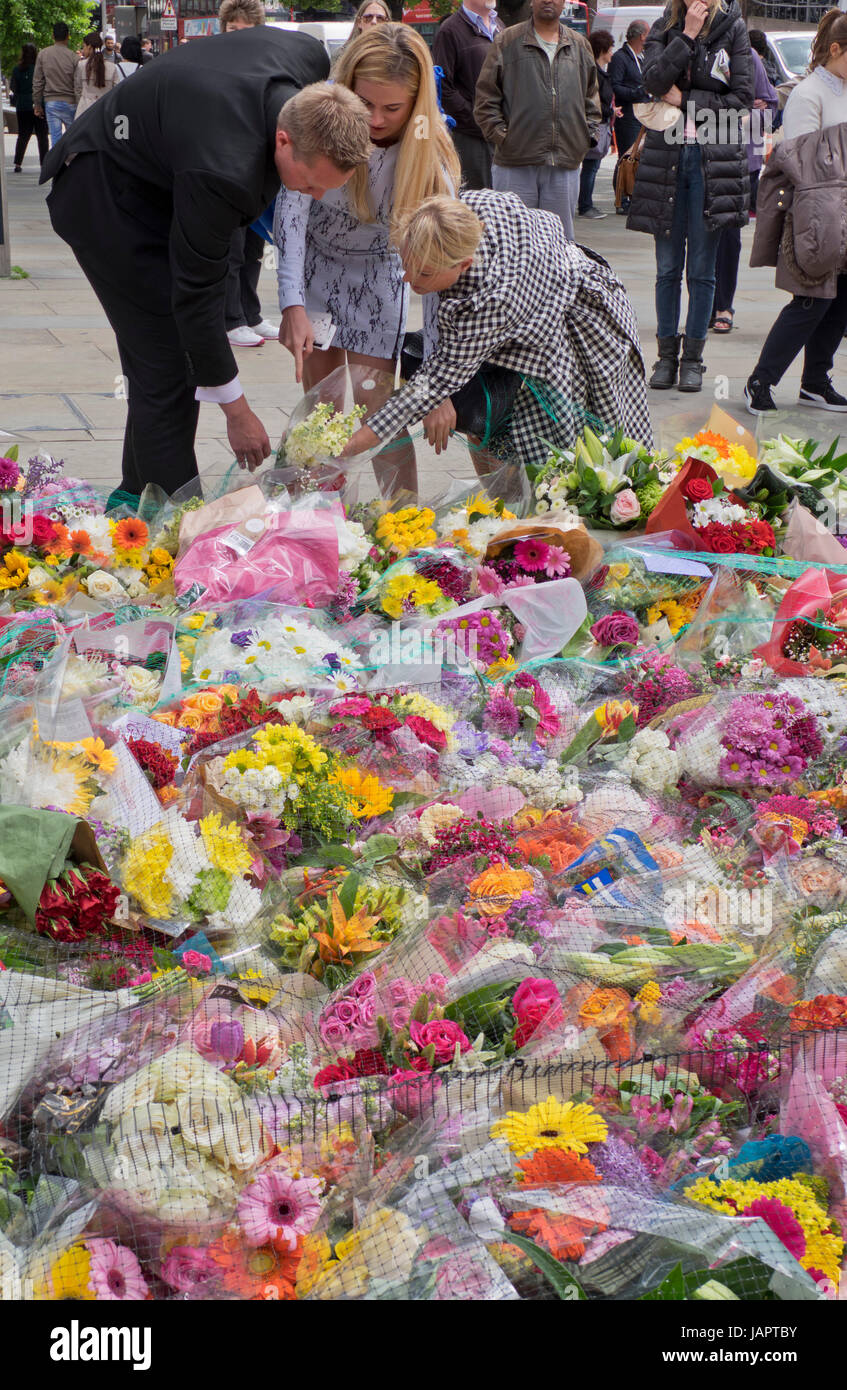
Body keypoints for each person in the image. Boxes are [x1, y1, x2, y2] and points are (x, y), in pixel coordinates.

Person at [41, 33, 372, 506]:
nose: (315, 196)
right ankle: (169, 522)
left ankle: (138, 497)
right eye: (312, 183)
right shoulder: (225, 171)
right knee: (166, 365)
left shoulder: (307, 59)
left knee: (159, 360)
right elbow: (197, 298)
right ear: (283, 139)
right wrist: (236, 410)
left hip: (166, 167)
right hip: (105, 198)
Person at [339, 191, 653, 470]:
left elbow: (429, 387)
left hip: (586, 318)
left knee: (581, 440)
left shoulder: (488, 304)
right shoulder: (471, 207)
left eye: (424, 272)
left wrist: (349, 447)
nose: (408, 278)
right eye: (406, 262)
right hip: (542, 293)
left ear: (463, 265)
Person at [276, 24, 461, 495]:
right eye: (366, 103)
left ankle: (406, 523)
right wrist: (291, 304)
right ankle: (319, 522)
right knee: (322, 410)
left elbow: (441, 274)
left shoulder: (428, 155)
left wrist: (436, 379)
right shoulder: (325, 117)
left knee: (380, 408)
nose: (376, 120)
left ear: (416, 103)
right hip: (318, 271)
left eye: (392, 108)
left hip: (380, 275)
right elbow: (292, 210)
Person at [627, 0, 753, 393]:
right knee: (667, 269)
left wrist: (687, 101)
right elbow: (650, 83)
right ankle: (665, 357)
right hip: (665, 160)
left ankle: (694, 359)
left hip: (712, 164)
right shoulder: (664, 28)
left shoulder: (734, 30)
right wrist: (688, 34)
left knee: (701, 270)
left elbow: (741, 100)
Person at [746, 9, 847, 416]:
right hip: (816, 215)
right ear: (836, 49)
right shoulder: (810, 93)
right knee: (811, 301)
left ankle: (815, 381)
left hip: (842, 212)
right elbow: (807, 164)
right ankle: (761, 380)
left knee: (841, 300)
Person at [474, 0, 600, 240]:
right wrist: (503, 137)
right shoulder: (507, 41)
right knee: (511, 245)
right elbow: (485, 98)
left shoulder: (580, 45)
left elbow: (591, 98)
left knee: (559, 245)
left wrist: (588, 137)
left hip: (564, 163)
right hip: (515, 163)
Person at [218, 0, 280, 348]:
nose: (239, 35)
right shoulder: (216, 64)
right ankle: (231, 318)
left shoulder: (264, 63)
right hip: (228, 166)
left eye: (246, 28)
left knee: (254, 243)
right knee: (234, 246)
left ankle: (249, 313)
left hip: (258, 165)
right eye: (233, 28)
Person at [710, 44, 777, 334]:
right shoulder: (686, 46)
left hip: (737, 159)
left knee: (728, 237)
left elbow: (769, 107)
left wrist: (745, 116)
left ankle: (723, 305)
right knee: (696, 240)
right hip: (694, 154)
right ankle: (705, 305)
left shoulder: (747, 56)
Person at [432, 0, 503, 191]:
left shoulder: (500, 27)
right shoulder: (450, 30)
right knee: (476, 205)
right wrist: (477, 119)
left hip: (501, 136)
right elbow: (442, 87)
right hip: (470, 138)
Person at [608, 20, 649, 215]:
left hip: (643, 114)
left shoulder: (641, 57)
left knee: (637, 158)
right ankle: (620, 198)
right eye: (647, 34)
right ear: (641, 36)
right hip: (628, 115)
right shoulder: (620, 58)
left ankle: (632, 195)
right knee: (626, 157)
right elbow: (615, 86)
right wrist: (638, 92)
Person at [578, 29, 615, 219]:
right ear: (602, 50)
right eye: (610, 49)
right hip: (596, 125)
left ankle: (585, 203)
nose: (612, 53)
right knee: (590, 167)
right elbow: (595, 101)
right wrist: (611, 111)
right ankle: (585, 205)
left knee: (591, 166)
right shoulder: (595, 74)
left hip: (601, 123)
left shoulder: (599, 72)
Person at [32, 23, 77, 147]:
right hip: (71, 102)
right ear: (68, 36)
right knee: (73, 138)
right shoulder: (73, 57)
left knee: (55, 139)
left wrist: (37, 104)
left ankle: (57, 164)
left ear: (53, 36)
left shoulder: (43, 54)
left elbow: (37, 82)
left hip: (51, 102)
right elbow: (77, 83)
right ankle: (72, 165)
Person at [11, 45, 49, 172]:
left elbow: (13, 87)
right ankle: (44, 163)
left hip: (22, 105)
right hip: (40, 104)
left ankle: (18, 163)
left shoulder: (17, 69)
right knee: (42, 135)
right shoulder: (40, 69)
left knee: (23, 135)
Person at [74, 33, 120, 116]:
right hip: (105, 110)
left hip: (85, 109)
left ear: (89, 47)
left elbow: (78, 89)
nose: (83, 50)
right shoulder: (112, 67)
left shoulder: (81, 65)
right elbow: (116, 90)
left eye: (83, 46)